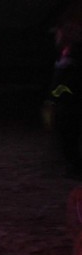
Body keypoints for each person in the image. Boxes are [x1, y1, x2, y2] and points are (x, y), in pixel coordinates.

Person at [49, 19, 82, 179]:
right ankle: (72, 165)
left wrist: (58, 95)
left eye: (59, 34)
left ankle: (75, 166)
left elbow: (68, 82)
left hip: (71, 103)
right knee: (66, 135)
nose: (57, 37)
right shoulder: (66, 53)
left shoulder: (74, 53)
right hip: (66, 102)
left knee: (70, 134)